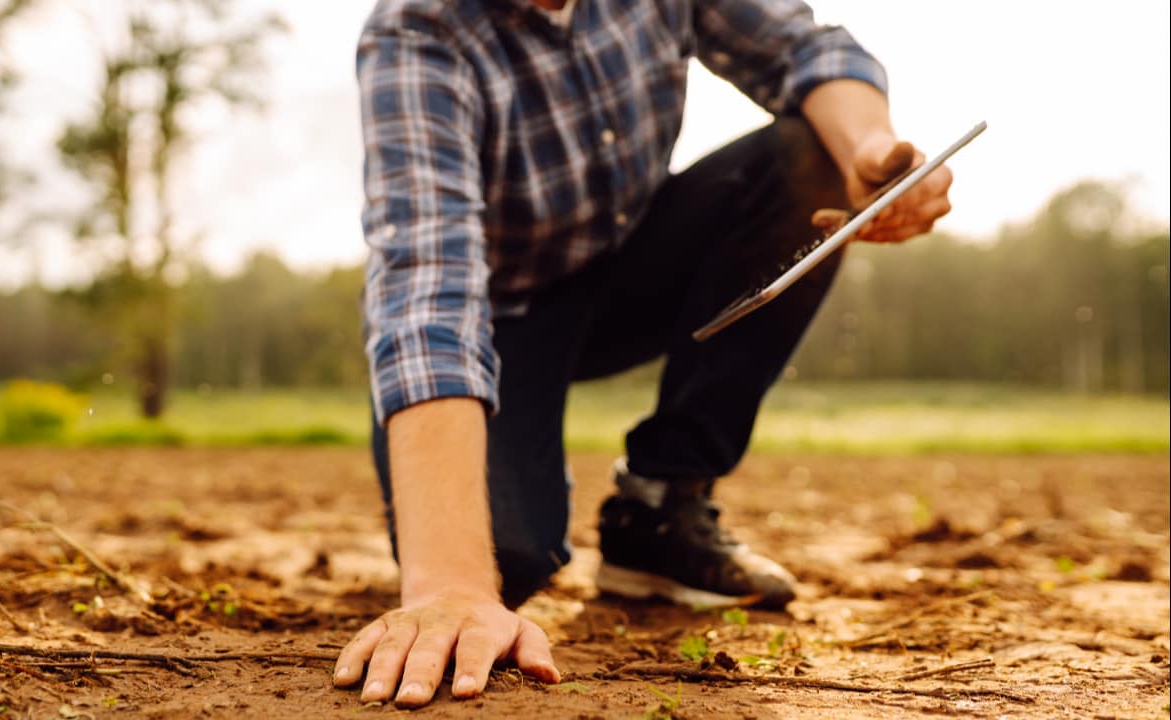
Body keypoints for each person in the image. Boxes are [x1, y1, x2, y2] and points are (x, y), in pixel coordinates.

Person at [335, 0, 954, 708]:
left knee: (808, 156)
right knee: (503, 562)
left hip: (632, 266)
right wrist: (450, 583)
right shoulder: (418, 33)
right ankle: (444, 491)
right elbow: (427, 294)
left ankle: (659, 509)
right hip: (498, 320)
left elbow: (803, 51)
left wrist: (869, 151)